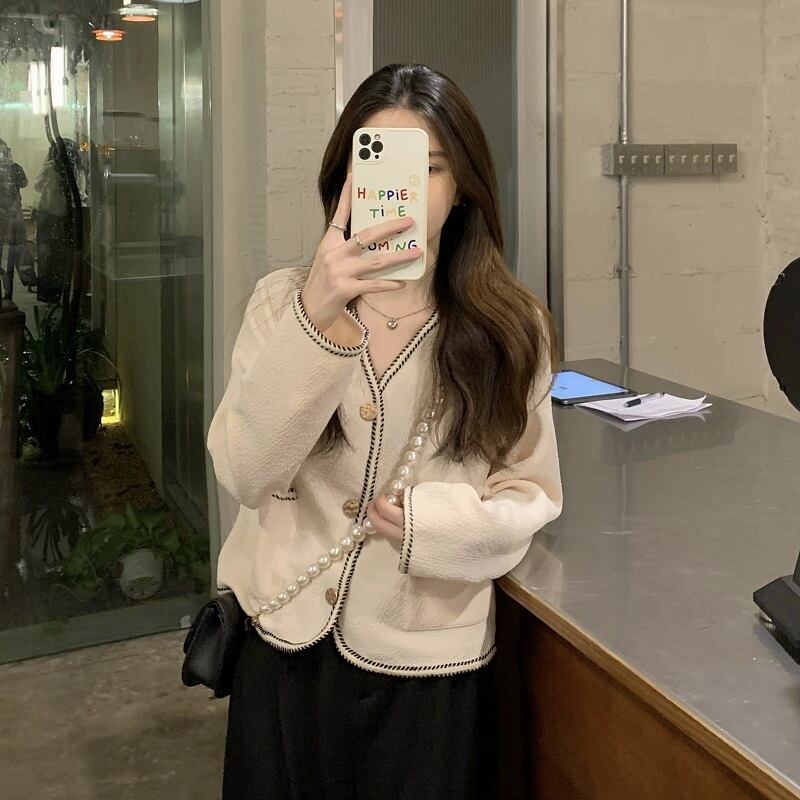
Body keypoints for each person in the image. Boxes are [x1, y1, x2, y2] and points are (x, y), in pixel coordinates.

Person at [207, 62, 563, 799]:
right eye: (381, 165)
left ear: (462, 185)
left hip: (427, 660)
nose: (406, 189)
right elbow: (246, 473)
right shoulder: (281, 305)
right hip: (283, 643)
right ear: (347, 181)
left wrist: (435, 525)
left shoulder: (509, 326)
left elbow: (530, 492)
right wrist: (317, 319)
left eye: (430, 167)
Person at [33, 138, 85, 303]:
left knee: (59, 255)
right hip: (48, 215)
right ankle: (45, 291)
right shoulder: (50, 168)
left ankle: (57, 291)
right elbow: (37, 186)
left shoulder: (75, 170)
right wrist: (48, 170)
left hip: (62, 216)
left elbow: (80, 193)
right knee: (45, 254)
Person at [0, 139, 29, 303]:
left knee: (11, 258)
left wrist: (12, 167)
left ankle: (8, 295)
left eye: (4, 151)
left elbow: (24, 183)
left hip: (12, 218)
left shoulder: (14, 168)